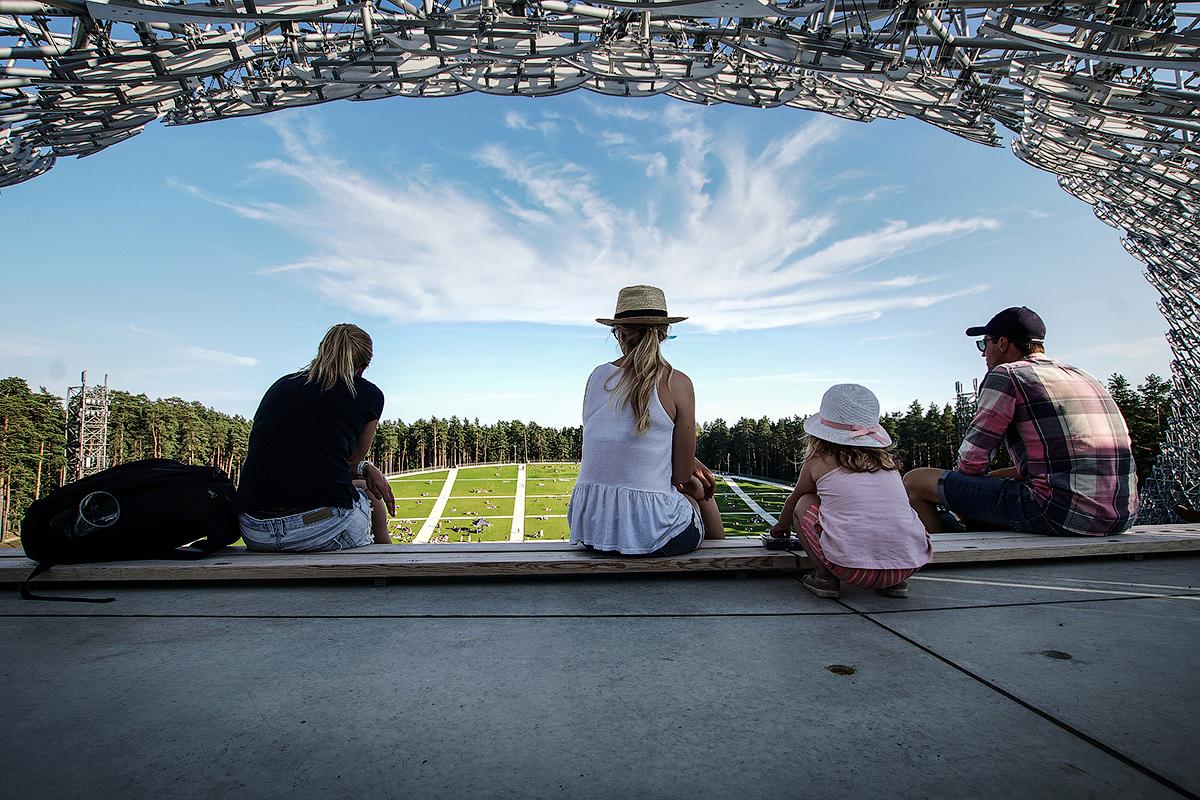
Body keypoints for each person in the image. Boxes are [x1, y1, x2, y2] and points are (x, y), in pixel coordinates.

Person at [903, 306, 1137, 536]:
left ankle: (944, 550)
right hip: (1120, 515)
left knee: (916, 481)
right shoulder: (1083, 375)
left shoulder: (1006, 375)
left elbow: (971, 461)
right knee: (994, 479)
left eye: (984, 344)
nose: (983, 354)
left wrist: (961, 498)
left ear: (1002, 343)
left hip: (1060, 513)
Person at [568, 285, 724, 555]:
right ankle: (726, 564)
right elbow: (681, 477)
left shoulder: (596, 377)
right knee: (700, 494)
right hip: (651, 534)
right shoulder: (677, 383)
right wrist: (697, 486)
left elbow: (619, 443)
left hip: (592, 529)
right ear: (664, 332)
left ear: (619, 332)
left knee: (694, 486)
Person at [236, 323, 396, 551]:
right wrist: (366, 467)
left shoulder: (280, 386)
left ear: (322, 350)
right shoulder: (369, 394)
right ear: (363, 367)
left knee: (361, 486)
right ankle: (386, 557)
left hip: (255, 531)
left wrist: (364, 469)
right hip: (321, 527)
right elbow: (353, 459)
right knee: (371, 493)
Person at [770, 383, 931, 599]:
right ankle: (895, 584)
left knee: (804, 502)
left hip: (849, 569)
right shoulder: (887, 461)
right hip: (908, 564)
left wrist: (781, 525)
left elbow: (795, 499)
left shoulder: (819, 460)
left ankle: (824, 578)